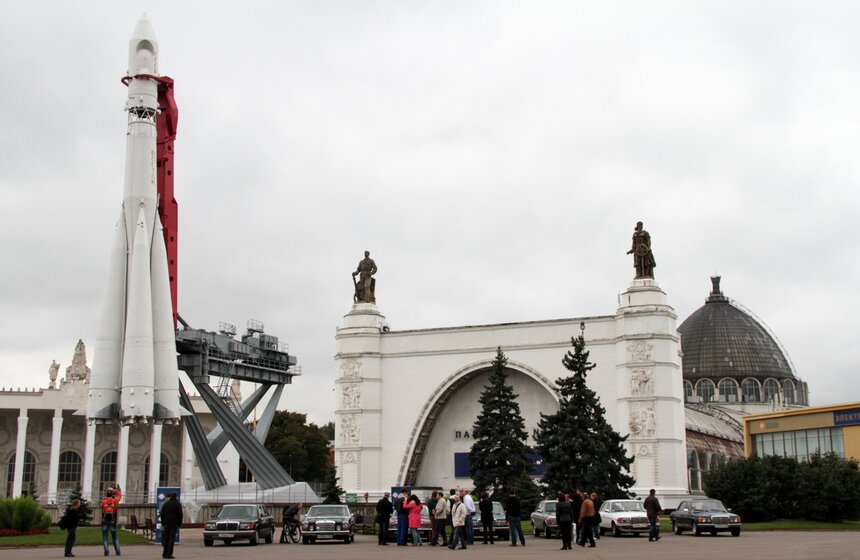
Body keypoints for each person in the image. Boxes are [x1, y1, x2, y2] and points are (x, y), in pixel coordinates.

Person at [100, 484, 122, 556]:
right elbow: (120, 495)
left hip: (105, 520)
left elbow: (102, 510)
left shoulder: (103, 501)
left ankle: (106, 551)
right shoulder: (115, 500)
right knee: (115, 537)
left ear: (106, 493)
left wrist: (108, 490)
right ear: (112, 493)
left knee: (105, 537)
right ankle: (118, 551)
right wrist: (115, 490)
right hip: (113, 520)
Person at [160, 492, 182, 559]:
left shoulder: (166, 504)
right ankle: (169, 554)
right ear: (176, 496)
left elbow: (162, 514)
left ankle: (164, 553)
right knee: (171, 539)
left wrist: (163, 522)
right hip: (174, 524)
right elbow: (180, 514)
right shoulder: (178, 504)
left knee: (166, 538)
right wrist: (179, 523)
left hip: (166, 523)